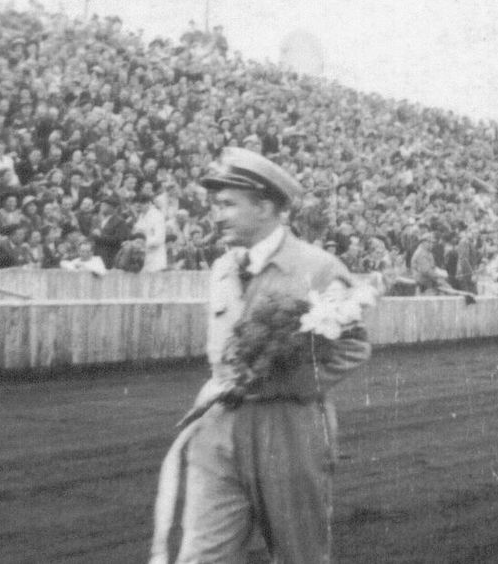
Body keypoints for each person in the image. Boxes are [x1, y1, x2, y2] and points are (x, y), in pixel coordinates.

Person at [150, 147, 371, 564]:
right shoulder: (221, 269)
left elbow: (354, 344)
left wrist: (285, 383)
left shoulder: (318, 267)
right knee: (201, 556)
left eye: (228, 204)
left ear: (265, 206)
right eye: (216, 204)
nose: (216, 215)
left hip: (288, 427)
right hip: (218, 426)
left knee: (299, 556)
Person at [132, 194, 168, 273]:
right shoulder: (141, 216)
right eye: (137, 205)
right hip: (143, 258)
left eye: (141, 204)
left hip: (156, 259)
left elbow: (159, 239)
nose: (139, 207)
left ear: (148, 203)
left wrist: (142, 243)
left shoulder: (157, 216)